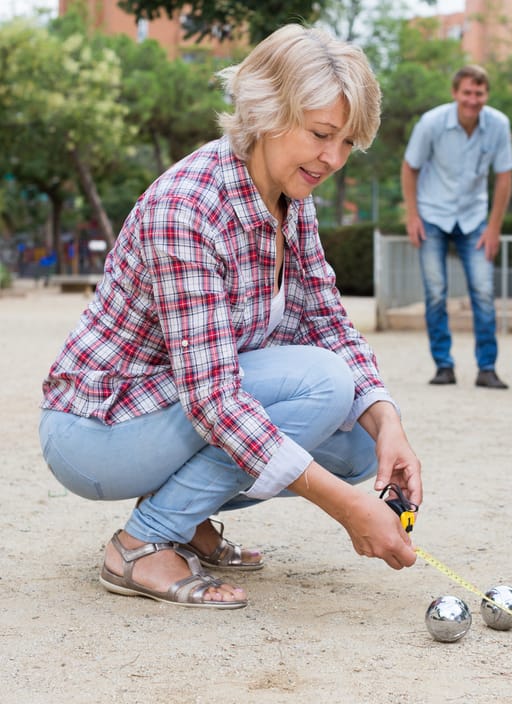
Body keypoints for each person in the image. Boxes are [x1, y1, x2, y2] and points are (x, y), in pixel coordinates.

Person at [38, 24, 422, 610]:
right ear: (267, 112)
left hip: (175, 411)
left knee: (363, 446)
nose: (333, 158)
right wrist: (347, 510)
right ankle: (141, 544)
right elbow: (214, 399)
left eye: (347, 142)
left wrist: (389, 422)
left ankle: (188, 521)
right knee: (323, 385)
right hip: (98, 431)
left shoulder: (293, 198)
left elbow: (328, 322)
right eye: (321, 134)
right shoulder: (188, 207)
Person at [401, 65, 512, 389]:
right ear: (455, 93)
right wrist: (412, 215)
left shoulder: (498, 125)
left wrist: (494, 228)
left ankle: (487, 368)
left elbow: (504, 177)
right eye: (467, 92)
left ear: (486, 95)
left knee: (483, 291)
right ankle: (444, 366)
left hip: (473, 217)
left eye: (479, 93)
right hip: (433, 214)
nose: (472, 100)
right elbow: (410, 168)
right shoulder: (432, 123)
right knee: (435, 292)